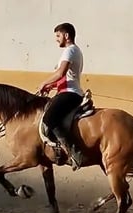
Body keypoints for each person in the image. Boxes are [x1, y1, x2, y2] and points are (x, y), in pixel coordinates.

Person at [39, 22, 84, 169]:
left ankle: (74, 152)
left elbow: (60, 73)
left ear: (66, 35)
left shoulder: (69, 51)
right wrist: (51, 86)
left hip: (71, 94)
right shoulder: (74, 51)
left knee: (49, 118)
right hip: (68, 91)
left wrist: (43, 83)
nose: (56, 39)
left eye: (58, 36)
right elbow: (66, 78)